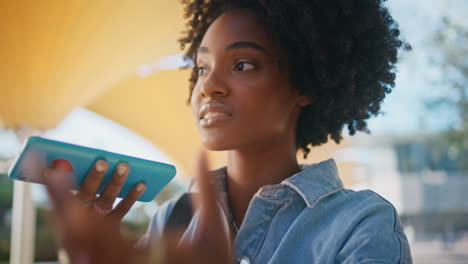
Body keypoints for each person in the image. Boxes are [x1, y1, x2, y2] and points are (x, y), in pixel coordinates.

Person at [43, 0, 413, 263]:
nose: (208, 86)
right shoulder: (170, 220)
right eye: (202, 67)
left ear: (306, 84)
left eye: (243, 64)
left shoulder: (361, 224)